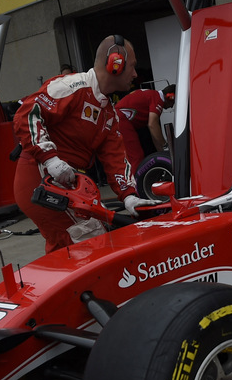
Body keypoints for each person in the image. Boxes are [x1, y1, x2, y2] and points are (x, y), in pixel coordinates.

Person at [12, 35, 156, 252]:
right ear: (114, 64)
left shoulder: (109, 114)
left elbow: (116, 158)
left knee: (70, 245)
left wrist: (129, 196)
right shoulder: (72, 86)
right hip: (39, 178)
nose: (135, 74)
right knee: (91, 240)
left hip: (69, 184)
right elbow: (27, 114)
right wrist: (50, 159)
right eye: (133, 67)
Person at [113, 85, 173, 167]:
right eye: (173, 102)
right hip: (121, 119)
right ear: (170, 97)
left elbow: (153, 133)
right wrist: (165, 145)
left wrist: (162, 153)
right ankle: (137, 179)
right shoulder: (157, 99)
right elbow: (152, 125)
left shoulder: (153, 95)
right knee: (136, 156)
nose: (172, 106)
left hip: (120, 118)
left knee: (133, 155)